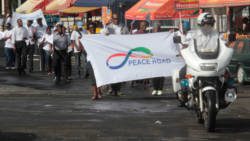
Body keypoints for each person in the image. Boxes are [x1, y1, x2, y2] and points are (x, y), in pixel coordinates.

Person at [101, 13, 128, 96]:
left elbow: (128, 37)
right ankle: (112, 88)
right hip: (111, 52)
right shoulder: (108, 27)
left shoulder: (123, 27)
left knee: (119, 71)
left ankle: (118, 89)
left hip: (120, 52)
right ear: (112, 19)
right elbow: (102, 35)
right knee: (112, 71)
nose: (116, 20)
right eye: (114, 19)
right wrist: (105, 34)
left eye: (117, 19)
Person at [151, 23, 165, 96]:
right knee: (154, 74)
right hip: (153, 57)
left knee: (161, 74)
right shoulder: (151, 36)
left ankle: (160, 89)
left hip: (161, 57)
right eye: (155, 28)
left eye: (158, 28)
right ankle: (155, 88)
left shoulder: (163, 36)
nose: (157, 29)